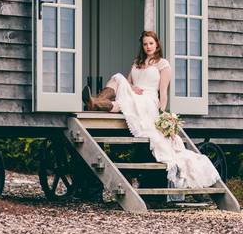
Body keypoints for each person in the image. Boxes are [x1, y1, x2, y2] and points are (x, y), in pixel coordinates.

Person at [83, 31, 220, 190]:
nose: (148, 47)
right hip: (134, 94)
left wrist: (163, 114)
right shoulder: (137, 62)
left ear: (157, 44)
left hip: (148, 100)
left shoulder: (163, 65)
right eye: (145, 44)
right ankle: (96, 102)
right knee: (118, 80)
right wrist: (133, 87)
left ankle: (96, 102)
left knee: (121, 100)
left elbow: (163, 93)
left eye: (151, 43)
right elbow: (127, 83)